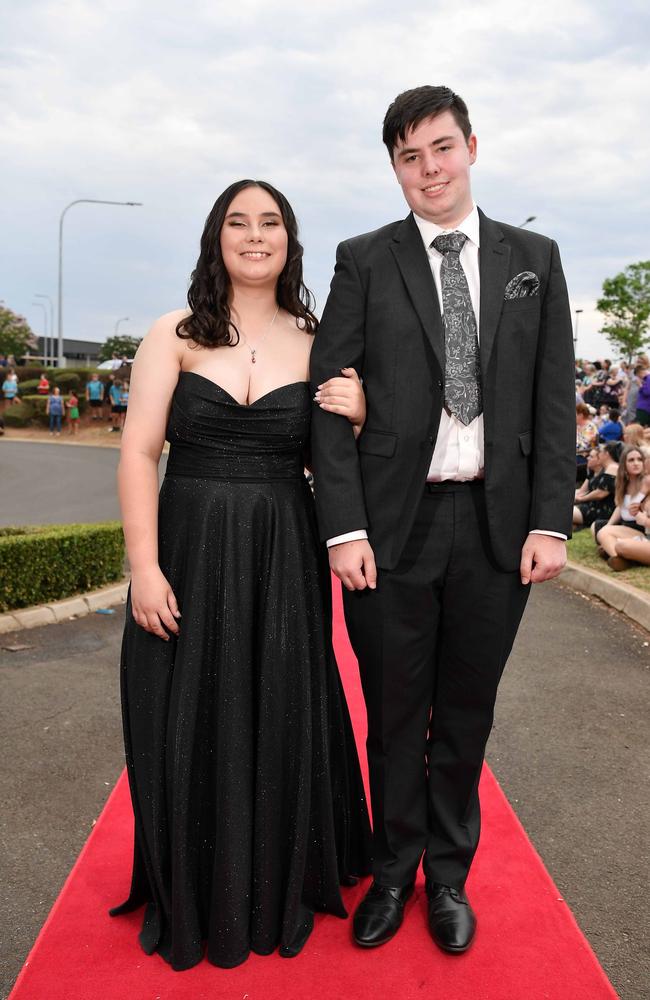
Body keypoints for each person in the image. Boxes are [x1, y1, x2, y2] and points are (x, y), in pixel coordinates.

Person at [310, 85, 575, 955]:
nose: (428, 170)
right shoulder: (363, 259)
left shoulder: (533, 255)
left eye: (441, 149)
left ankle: (449, 877)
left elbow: (550, 400)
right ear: (394, 167)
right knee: (392, 710)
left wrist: (551, 522)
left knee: (466, 711)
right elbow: (327, 401)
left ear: (471, 147)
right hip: (393, 527)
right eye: (409, 157)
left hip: (498, 531)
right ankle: (393, 871)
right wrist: (343, 529)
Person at [110, 180, 373, 970]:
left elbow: (337, 464)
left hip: (281, 556)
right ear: (215, 237)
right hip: (185, 550)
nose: (255, 236)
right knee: (179, 710)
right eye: (238, 222)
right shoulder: (175, 333)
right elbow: (137, 453)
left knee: (278, 703)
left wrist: (361, 414)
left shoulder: (321, 338)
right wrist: (144, 568)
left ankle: (271, 876)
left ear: (290, 240)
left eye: (271, 223)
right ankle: (193, 880)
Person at [595, 445, 650, 569]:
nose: (636, 463)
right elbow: (620, 507)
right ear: (624, 464)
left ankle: (621, 555)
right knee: (602, 530)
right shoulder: (622, 483)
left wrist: (643, 515)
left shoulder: (647, 481)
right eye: (631, 460)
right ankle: (618, 559)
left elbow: (645, 508)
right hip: (632, 528)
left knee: (619, 544)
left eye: (639, 460)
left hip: (641, 528)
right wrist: (609, 525)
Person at [573, 444, 618, 529]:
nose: (587, 458)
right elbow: (582, 491)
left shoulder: (611, 469)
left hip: (600, 510)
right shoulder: (592, 472)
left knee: (563, 512)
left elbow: (600, 493)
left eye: (591, 456)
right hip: (590, 506)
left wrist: (581, 499)